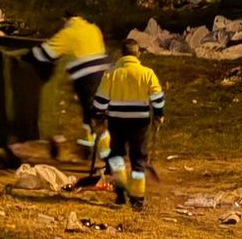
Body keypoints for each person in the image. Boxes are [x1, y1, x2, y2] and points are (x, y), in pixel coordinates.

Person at [28, 11, 112, 156]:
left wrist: (28, 54)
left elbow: (45, 54)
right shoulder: (93, 29)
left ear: (65, 19)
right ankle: (88, 146)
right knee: (91, 112)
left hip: (88, 78)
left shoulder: (68, 33)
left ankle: (108, 157)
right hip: (106, 75)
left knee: (95, 116)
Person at [92, 41, 164, 210]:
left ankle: (120, 194)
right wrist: (159, 115)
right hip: (140, 123)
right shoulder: (147, 73)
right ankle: (138, 199)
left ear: (122, 54)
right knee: (138, 159)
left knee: (117, 156)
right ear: (138, 54)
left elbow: (101, 100)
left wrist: (98, 117)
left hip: (117, 121)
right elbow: (157, 97)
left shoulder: (111, 74)